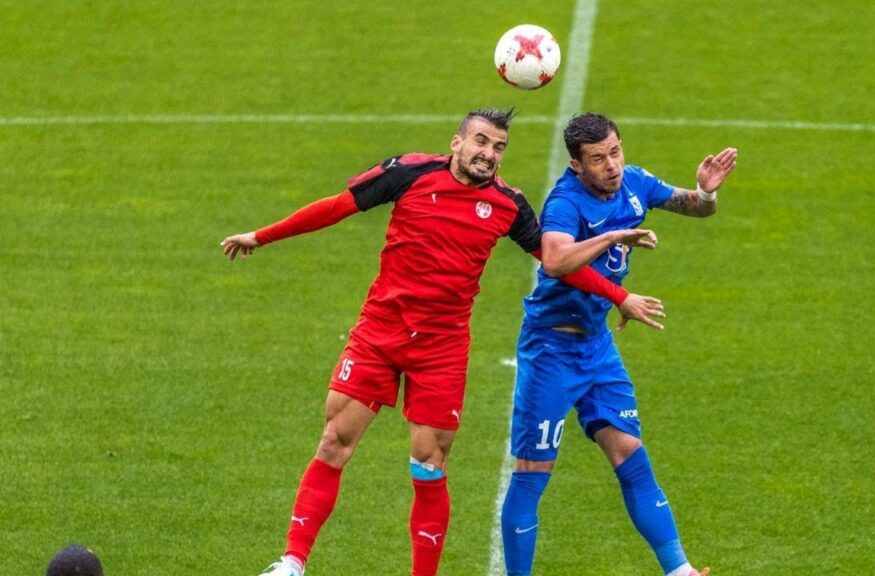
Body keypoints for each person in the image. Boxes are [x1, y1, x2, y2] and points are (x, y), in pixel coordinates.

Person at [220, 108, 666, 576]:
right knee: (334, 440)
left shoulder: (509, 205)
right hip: (380, 333)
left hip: (442, 350)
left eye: (498, 147)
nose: (487, 154)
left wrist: (620, 295)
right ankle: (292, 561)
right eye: (480, 141)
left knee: (429, 463)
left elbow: (558, 262)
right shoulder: (409, 173)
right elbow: (337, 206)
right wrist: (262, 236)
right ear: (456, 143)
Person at [500, 112, 738, 576]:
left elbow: (695, 206)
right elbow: (553, 258)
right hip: (551, 350)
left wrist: (706, 190)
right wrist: (612, 238)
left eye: (615, 151)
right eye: (597, 158)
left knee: (629, 451)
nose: (611, 165)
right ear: (576, 164)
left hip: (597, 348)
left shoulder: (634, 182)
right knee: (533, 474)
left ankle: (679, 570)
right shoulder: (565, 203)